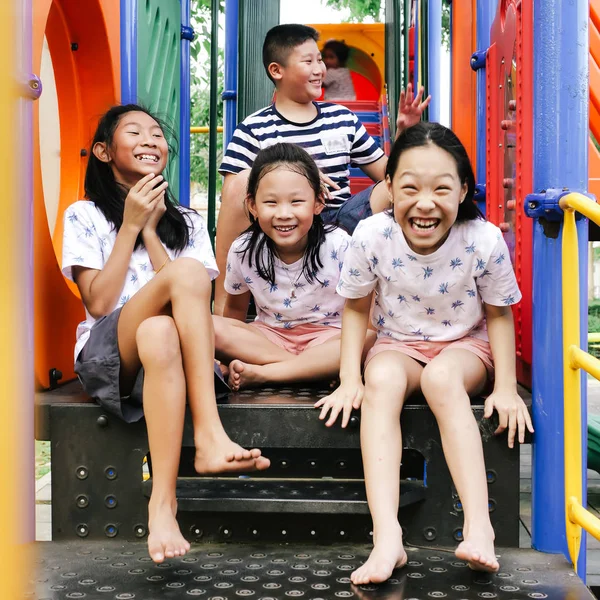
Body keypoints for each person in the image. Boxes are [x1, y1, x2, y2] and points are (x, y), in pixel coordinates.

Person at [316, 122, 534, 584]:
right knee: (382, 382)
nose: (425, 202)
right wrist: (350, 377)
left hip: (463, 344)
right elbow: (355, 311)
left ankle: (479, 527)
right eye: (410, 187)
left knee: (441, 380)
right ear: (389, 187)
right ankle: (387, 537)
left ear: (463, 192)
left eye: (441, 188)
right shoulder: (372, 235)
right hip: (398, 343)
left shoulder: (483, 239)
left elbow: (498, 315)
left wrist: (506, 387)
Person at [61, 104, 270, 565]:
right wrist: (130, 225)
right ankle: (210, 433)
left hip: (167, 347)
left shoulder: (188, 221)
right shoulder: (85, 215)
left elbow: (184, 297)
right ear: (102, 151)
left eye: (157, 135)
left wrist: (152, 232)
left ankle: (163, 504)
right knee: (182, 279)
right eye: (134, 133)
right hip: (109, 351)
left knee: (159, 329)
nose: (151, 140)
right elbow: (98, 303)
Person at [214, 23, 431, 314]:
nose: (319, 69)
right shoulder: (254, 128)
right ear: (277, 70)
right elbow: (234, 194)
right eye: (308, 61)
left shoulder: (342, 118)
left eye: (319, 59)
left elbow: (388, 175)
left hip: (338, 221)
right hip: (282, 219)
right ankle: (222, 304)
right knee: (241, 181)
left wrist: (405, 132)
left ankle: (414, 291)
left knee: (395, 189)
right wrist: (300, 174)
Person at [213, 142, 375, 391]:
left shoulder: (340, 244)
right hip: (269, 338)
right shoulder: (243, 249)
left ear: (318, 202)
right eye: (271, 202)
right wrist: (225, 354)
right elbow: (234, 312)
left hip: (327, 338)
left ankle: (271, 374)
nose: (284, 213)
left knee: (369, 338)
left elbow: (368, 318)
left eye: (297, 201)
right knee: (208, 327)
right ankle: (310, 371)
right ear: (253, 205)